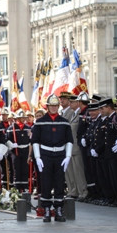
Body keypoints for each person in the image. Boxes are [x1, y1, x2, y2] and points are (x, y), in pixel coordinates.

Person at [31, 94, 73, 222]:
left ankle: (59, 208)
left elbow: (69, 141)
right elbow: (35, 141)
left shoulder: (64, 122)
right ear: (47, 107)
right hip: (45, 155)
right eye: (51, 106)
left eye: (56, 106)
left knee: (60, 182)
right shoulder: (40, 122)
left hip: (60, 155)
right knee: (46, 182)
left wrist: (68, 156)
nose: (54, 108)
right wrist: (37, 157)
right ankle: (47, 209)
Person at [6, 110, 31, 192]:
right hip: (15, 151)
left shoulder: (28, 128)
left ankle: (24, 186)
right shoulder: (11, 128)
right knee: (16, 169)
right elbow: (6, 139)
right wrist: (12, 144)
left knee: (25, 169)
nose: (23, 119)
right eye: (21, 118)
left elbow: (31, 139)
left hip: (25, 150)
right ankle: (17, 186)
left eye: (24, 117)